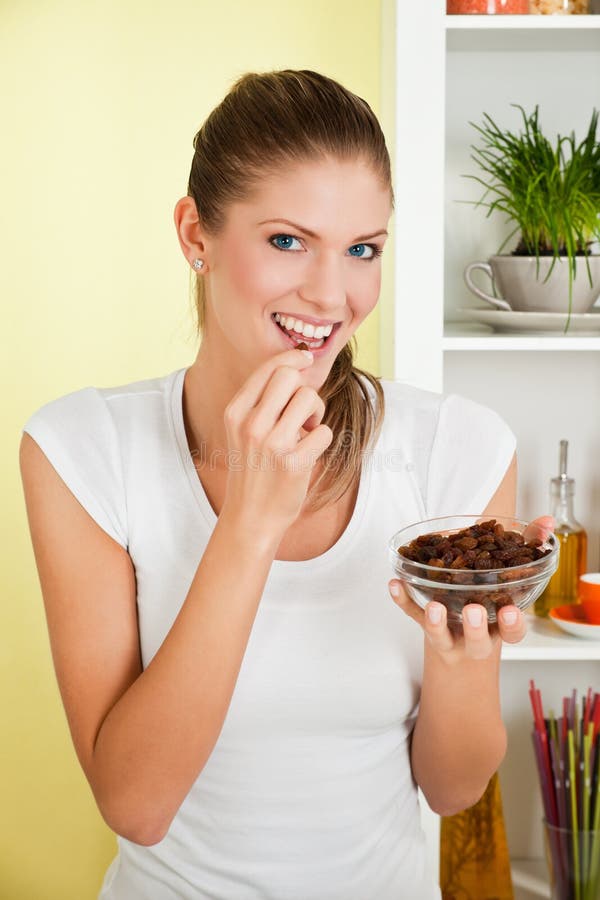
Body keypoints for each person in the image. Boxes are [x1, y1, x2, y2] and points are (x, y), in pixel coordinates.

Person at [19, 69, 551, 900]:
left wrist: (461, 656)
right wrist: (248, 528)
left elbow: (452, 792)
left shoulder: (457, 447)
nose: (332, 295)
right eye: (288, 241)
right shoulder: (83, 450)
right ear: (195, 233)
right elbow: (137, 805)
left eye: (362, 249)